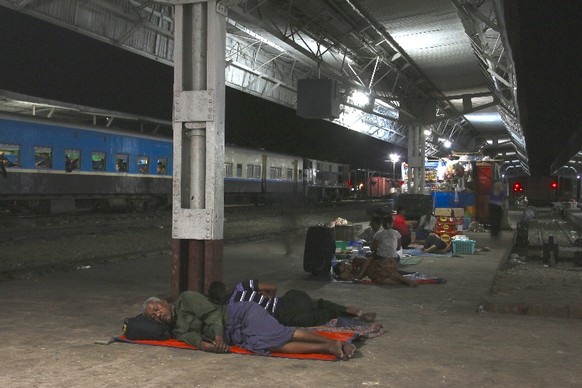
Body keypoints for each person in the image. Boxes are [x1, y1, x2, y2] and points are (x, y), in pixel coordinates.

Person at [142, 291, 357, 360]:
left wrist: (217, 335)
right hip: (236, 335)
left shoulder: (187, 298)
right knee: (263, 345)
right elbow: (194, 340)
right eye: (153, 317)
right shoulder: (176, 329)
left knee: (278, 334)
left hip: (241, 315)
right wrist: (211, 347)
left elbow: (213, 313)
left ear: (163, 302)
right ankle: (328, 347)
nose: (157, 315)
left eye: (156, 309)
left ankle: (330, 343)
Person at [207, 279, 376, 326]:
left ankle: (353, 317)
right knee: (320, 302)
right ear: (226, 289)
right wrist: (269, 299)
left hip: (287, 316)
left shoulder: (230, 308)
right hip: (293, 298)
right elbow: (272, 287)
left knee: (323, 315)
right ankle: (358, 312)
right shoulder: (240, 286)